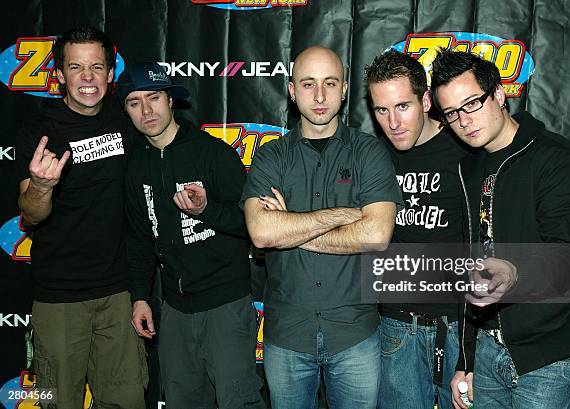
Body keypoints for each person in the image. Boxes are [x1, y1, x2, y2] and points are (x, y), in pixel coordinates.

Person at [430, 49, 570, 409]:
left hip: (550, 358)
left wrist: (514, 271)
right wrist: (466, 360)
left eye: (472, 103)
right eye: (451, 113)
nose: (464, 120)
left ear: (498, 94)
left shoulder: (557, 159)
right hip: (490, 352)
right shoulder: (470, 169)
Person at [241, 46, 402, 409]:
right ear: (292, 90)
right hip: (287, 336)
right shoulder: (271, 155)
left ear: (345, 89)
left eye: (329, 83)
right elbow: (262, 234)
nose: (319, 95)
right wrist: (346, 214)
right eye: (308, 83)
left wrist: (290, 225)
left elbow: (376, 235)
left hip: (355, 334)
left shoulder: (369, 152)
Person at [119, 62, 266, 409]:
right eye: (134, 102)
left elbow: (254, 224)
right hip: (175, 309)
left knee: (238, 401)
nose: (146, 110)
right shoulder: (136, 166)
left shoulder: (212, 153)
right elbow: (140, 239)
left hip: (225, 305)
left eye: (153, 98)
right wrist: (140, 297)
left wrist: (206, 211)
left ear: (171, 101)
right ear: (126, 110)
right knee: (182, 401)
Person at [15, 26, 146, 409]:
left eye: (96, 67)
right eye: (76, 67)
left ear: (109, 75)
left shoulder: (127, 120)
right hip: (59, 298)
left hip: (119, 294)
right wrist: (41, 186)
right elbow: (31, 215)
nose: (87, 78)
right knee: (58, 402)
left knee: (126, 400)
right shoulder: (39, 132)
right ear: (59, 75)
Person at [365, 50, 469, 409]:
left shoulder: (465, 148)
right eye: (381, 110)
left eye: (402, 107)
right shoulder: (375, 156)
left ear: (425, 100)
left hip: (458, 327)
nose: (392, 122)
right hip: (395, 327)